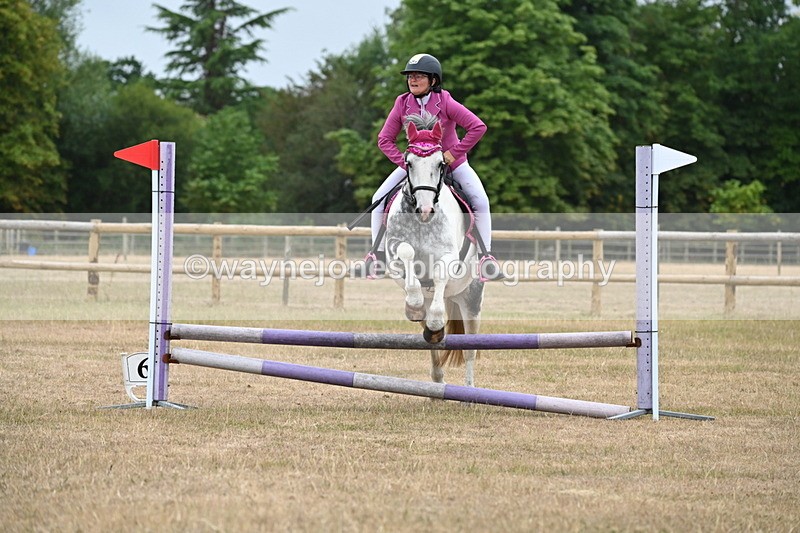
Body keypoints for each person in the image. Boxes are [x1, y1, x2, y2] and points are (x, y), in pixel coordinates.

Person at [365, 53, 502, 281]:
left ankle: (485, 258)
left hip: (451, 164)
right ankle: (376, 257)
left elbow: (478, 127)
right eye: (410, 76)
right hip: (417, 165)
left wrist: (453, 154)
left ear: (433, 81)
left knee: (480, 200)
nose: (412, 80)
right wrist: (406, 163)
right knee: (377, 199)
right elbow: (384, 139)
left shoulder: (445, 101)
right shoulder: (401, 103)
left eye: (419, 76)